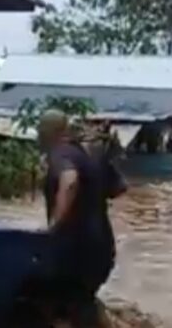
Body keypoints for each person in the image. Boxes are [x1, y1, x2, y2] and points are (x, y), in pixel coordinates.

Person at [38, 110, 116, 327]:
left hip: (77, 248)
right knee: (81, 303)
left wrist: (53, 227)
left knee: (61, 308)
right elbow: (119, 189)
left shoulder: (60, 153)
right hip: (101, 245)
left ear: (49, 132)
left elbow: (70, 181)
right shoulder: (89, 154)